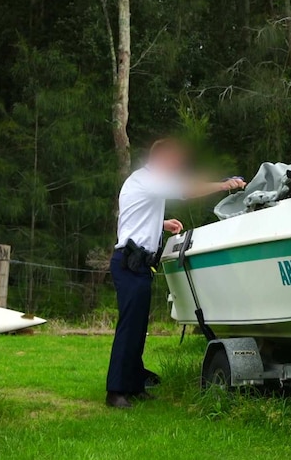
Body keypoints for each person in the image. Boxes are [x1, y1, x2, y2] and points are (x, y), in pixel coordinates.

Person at [106, 138, 246, 409]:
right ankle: (116, 392)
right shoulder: (148, 179)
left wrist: (161, 223)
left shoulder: (144, 183)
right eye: (174, 163)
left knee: (137, 329)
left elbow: (133, 217)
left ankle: (134, 384)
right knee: (129, 329)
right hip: (130, 263)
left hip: (138, 264)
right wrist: (225, 185)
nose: (176, 168)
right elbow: (187, 189)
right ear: (161, 160)